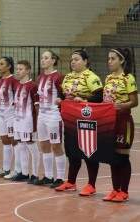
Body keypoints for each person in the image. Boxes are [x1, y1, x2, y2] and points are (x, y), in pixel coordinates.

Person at [55, 50, 103, 196]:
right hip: (70, 119)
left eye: (76, 59)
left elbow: (99, 96)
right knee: (72, 151)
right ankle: (70, 182)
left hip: (86, 119)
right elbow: (62, 93)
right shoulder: (68, 77)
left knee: (89, 152)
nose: (73, 62)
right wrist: (59, 99)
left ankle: (91, 185)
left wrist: (84, 101)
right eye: (71, 60)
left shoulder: (91, 77)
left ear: (85, 61)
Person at [102, 48, 138, 202]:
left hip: (123, 121)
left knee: (123, 156)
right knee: (113, 157)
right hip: (110, 122)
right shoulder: (108, 78)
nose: (109, 61)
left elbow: (134, 102)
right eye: (108, 59)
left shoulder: (128, 78)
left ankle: (124, 191)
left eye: (113, 59)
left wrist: (121, 106)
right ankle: (115, 189)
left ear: (121, 60)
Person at [35, 50, 65, 188]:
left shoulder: (58, 77)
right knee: (44, 146)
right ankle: (48, 176)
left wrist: (61, 100)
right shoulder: (40, 77)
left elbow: (64, 95)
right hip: (42, 114)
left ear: (53, 60)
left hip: (54, 115)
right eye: (42, 58)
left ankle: (60, 177)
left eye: (46, 58)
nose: (43, 60)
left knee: (56, 146)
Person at [11, 60, 39, 182]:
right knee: (21, 145)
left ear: (28, 70)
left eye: (21, 69)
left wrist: (36, 122)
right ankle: (24, 172)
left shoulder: (33, 86)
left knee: (31, 146)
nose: (18, 71)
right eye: (17, 69)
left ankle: (35, 174)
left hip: (28, 121)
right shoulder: (16, 84)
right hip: (17, 120)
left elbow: (36, 106)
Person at [0, 57, 19, 178]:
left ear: (9, 66)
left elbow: (18, 97)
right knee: (4, 141)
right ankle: (6, 168)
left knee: (14, 141)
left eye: (2, 64)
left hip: (11, 114)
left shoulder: (13, 80)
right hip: (1, 114)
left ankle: (17, 169)